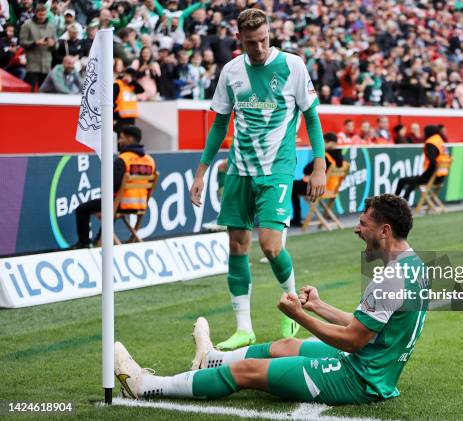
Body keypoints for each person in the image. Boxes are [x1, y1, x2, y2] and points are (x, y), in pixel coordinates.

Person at [115, 194, 428, 405]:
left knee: (246, 371)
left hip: (359, 379)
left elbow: (352, 341)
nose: (356, 229)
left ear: (385, 230)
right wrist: (318, 306)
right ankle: (209, 359)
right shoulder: (415, 266)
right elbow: (370, 326)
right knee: (286, 346)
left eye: (363, 223)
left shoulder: (390, 277)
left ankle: (144, 386)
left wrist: (299, 315)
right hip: (375, 368)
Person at [188, 9, 326, 351]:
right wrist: (201, 173)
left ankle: (292, 304)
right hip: (239, 169)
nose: (260, 47)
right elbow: (219, 124)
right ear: (240, 40)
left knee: (270, 244)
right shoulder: (231, 71)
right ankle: (244, 328)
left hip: (277, 167)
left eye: (264, 39)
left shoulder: (292, 66)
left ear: (270, 34)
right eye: (252, 42)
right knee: (236, 246)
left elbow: (311, 117)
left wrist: (320, 165)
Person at [72, 127, 155, 248]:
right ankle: (99, 240)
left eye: (121, 137)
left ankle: (84, 243)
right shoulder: (150, 161)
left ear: (130, 139)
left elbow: (112, 186)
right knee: (111, 205)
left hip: (121, 204)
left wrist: (105, 209)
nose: (119, 141)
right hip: (140, 204)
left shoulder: (123, 159)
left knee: (82, 209)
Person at [291, 132, 344, 227]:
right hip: (331, 190)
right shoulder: (341, 159)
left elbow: (306, 170)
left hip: (318, 188)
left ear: (329, 143)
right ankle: (297, 218)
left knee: (292, 186)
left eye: (324, 142)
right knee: (296, 185)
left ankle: (296, 219)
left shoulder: (325, 157)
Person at [395, 125, 450, 202]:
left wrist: (425, 176)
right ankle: (403, 203)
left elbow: (433, 163)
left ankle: (393, 202)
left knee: (402, 180)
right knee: (412, 185)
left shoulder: (431, 143)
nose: (423, 134)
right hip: (441, 177)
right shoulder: (439, 141)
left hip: (432, 177)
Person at [18, 4, 57, 91]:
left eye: (44, 14)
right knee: (29, 90)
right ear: (35, 13)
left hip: (46, 64)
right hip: (32, 64)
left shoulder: (51, 26)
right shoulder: (27, 25)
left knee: (45, 91)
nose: (42, 16)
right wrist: (35, 43)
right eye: (40, 14)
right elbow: (21, 42)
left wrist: (53, 44)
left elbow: (56, 44)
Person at [113, 68, 143, 133]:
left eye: (132, 76)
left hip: (131, 118)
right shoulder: (118, 84)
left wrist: (132, 82)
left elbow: (141, 90)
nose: (129, 77)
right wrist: (113, 118)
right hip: (120, 118)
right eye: (128, 75)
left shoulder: (132, 86)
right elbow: (112, 101)